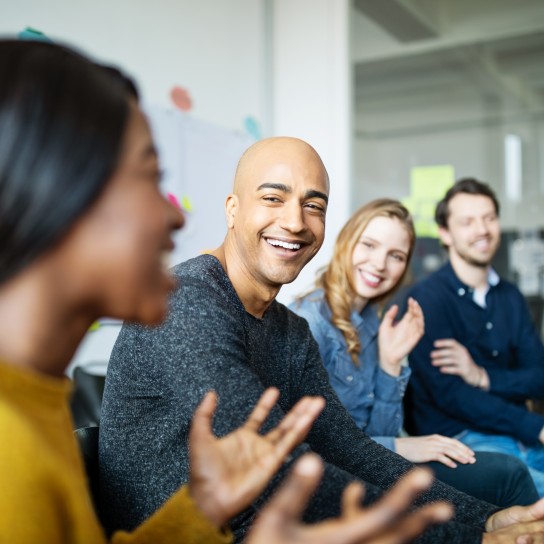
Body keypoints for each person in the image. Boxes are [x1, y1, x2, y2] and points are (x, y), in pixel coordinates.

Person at [0, 39, 454, 544]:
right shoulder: (10, 447)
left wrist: (196, 516)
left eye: (314, 206)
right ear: (57, 196)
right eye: (146, 179)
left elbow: (343, 445)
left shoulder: (33, 406)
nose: (175, 215)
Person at [100, 135, 544, 544]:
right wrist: (468, 538)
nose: (294, 221)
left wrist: (481, 519)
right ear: (232, 209)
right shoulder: (188, 302)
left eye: (313, 206)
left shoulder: (291, 330)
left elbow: (349, 448)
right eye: (273, 198)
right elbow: (277, 467)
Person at [289, 198, 539, 507]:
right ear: (346, 242)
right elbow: (312, 443)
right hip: (334, 479)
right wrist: (402, 445)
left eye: (396, 256)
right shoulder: (308, 323)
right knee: (509, 474)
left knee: (507, 475)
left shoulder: (373, 322)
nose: (380, 264)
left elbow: (377, 432)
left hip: (372, 465)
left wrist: (390, 363)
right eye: (369, 245)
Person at [405, 177, 544, 497]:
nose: (482, 230)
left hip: (520, 435)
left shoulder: (510, 296)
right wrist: (534, 425)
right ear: (445, 233)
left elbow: (539, 377)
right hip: (464, 440)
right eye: (467, 222)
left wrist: (482, 377)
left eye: (489, 218)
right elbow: (452, 396)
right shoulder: (428, 300)